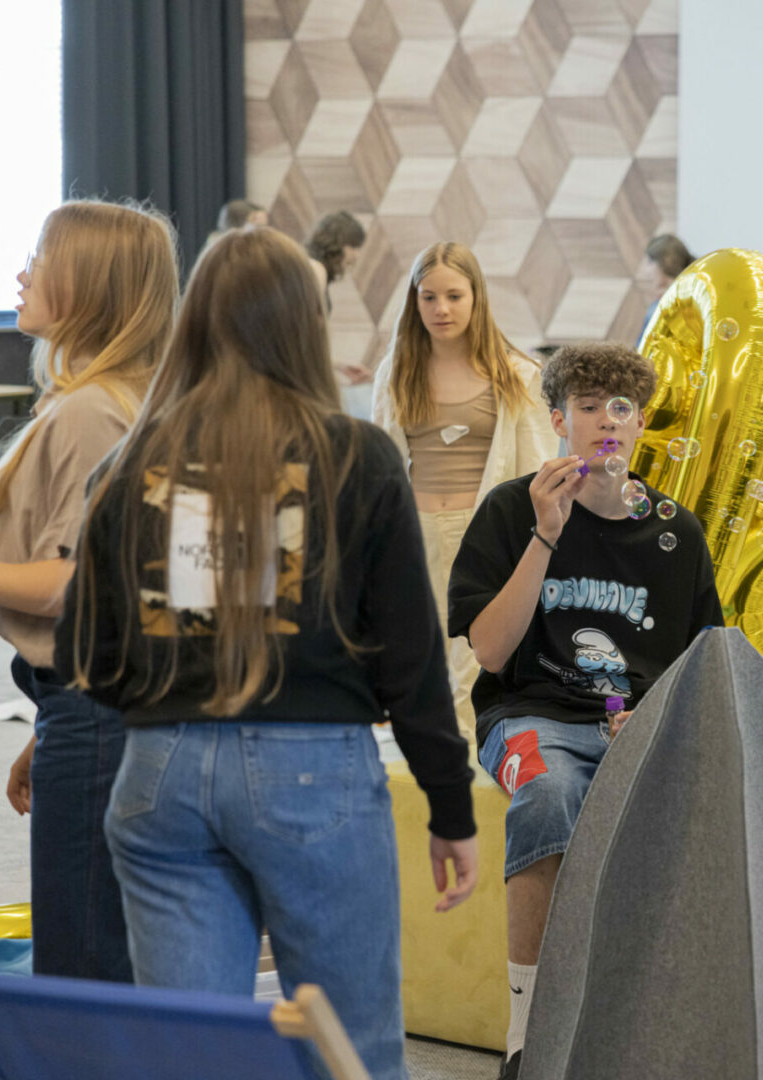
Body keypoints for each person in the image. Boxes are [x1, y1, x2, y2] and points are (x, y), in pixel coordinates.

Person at [54, 227, 479, 1079]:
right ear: (305, 325)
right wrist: (449, 805)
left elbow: (83, 655)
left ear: (193, 322)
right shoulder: (358, 458)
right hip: (314, 771)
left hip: (160, 774)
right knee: (350, 1054)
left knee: (191, 1062)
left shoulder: (127, 467)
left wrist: (175, 696)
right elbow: (411, 659)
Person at [447, 341, 722, 1080]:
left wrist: (657, 716)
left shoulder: (677, 532)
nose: (606, 420)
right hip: (529, 716)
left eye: (621, 408)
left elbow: (703, 666)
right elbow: (492, 653)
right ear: (558, 421)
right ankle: (527, 1035)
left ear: (641, 425)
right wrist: (546, 533)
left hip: (638, 729)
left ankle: (662, 1027)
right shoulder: (512, 510)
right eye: (589, 406)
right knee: (548, 793)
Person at [0, 199, 178, 981]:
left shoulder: (93, 411)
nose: (21, 274)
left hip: (98, 707)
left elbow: (83, 584)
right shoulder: (102, 401)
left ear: (90, 283)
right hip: (89, 700)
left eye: (40, 258)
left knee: (83, 962)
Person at [373, 242, 559, 739]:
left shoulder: (517, 374)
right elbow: (381, 466)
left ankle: (480, 762)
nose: (442, 309)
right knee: (417, 655)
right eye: (429, 297)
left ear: (476, 297)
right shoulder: (395, 371)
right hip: (413, 534)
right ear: (414, 300)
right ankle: (428, 767)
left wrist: (529, 545)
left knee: (475, 661)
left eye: (454, 296)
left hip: (481, 536)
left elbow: (536, 471)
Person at [305, 210, 372, 412]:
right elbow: (302, 337)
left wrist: (337, 366)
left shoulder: (310, 268)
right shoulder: (316, 270)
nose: (356, 255)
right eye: (353, 246)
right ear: (337, 243)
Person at [634, 234, 693, 347]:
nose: (646, 271)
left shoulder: (659, 310)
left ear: (666, 262)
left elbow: (641, 352)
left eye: (650, 262)